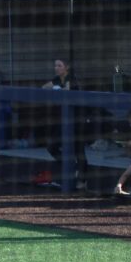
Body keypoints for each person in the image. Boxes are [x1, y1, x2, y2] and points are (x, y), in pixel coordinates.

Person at [40, 59, 87, 189]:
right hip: (64, 121)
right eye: (55, 65)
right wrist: (54, 87)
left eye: (59, 65)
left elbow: (67, 90)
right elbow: (44, 87)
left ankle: (82, 180)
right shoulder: (56, 79)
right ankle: (70, 166)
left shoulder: (72, 79)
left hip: (77, 120)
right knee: (52, 147)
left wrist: (57, 89)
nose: (56, 68)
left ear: (67, 67)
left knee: (79, 150)